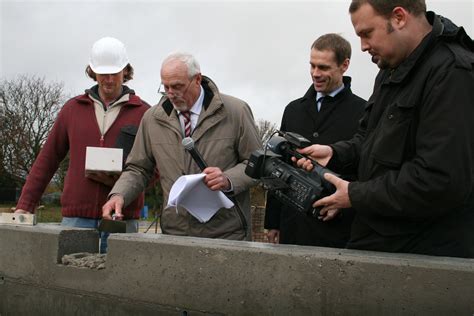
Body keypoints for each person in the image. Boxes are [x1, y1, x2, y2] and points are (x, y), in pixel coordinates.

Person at [296, 0, 474, 258]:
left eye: (367, 33)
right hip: (377, 243)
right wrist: (334, 154)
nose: (363, 46)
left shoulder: (454, 72)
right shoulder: (390, 67)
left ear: (399, 17)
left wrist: (355, 195)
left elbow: (439, 180)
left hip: (421, 259)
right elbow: (370, 142)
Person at [102, 52, 261, 240]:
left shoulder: (236, 112)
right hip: (175, 233)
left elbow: (258, 165)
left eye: (177, 86)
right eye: (165, 87)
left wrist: (228, 179)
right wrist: (119, 195)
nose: (171, 94)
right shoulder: (152, 119)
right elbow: (138, 168)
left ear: (197, 80)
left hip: (227, 234)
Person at [15, 37, 150, 253]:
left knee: (120, 284)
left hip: (121, 218)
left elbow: (154, 168)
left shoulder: (144, 113)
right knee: (70, 281)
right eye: (102, 73)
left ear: (125, 71)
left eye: (114, 73)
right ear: (92, 72)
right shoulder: (72, 109)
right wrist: (25, 205)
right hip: (76, 218)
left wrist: (125, 185)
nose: (107, 79)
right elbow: (47, 159)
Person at [264, 34, 366, 247]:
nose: (315, 74)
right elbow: (276, 165)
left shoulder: (364, 111)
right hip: (293, 226)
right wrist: (273, 221)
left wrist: (346, 202)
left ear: (344, 65)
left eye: (323, 67)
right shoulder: (293, 110)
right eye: (312, 66)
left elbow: (366, 170)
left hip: (339, 229)